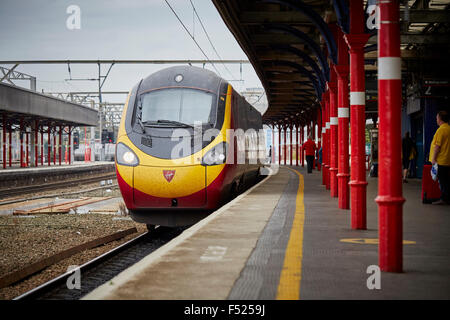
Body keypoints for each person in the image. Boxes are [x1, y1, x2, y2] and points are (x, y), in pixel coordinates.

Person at [429, 111, 450, 205]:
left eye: (437, 118)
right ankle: (445, 198)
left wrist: (433, 159)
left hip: (441, 160)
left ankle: (444, 199)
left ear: (440, 118)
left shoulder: (441, 129)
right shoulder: (449, 128)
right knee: (446, 180)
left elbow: (437, 146)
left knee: (443, 181)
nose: (436, 119)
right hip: (447, 160)